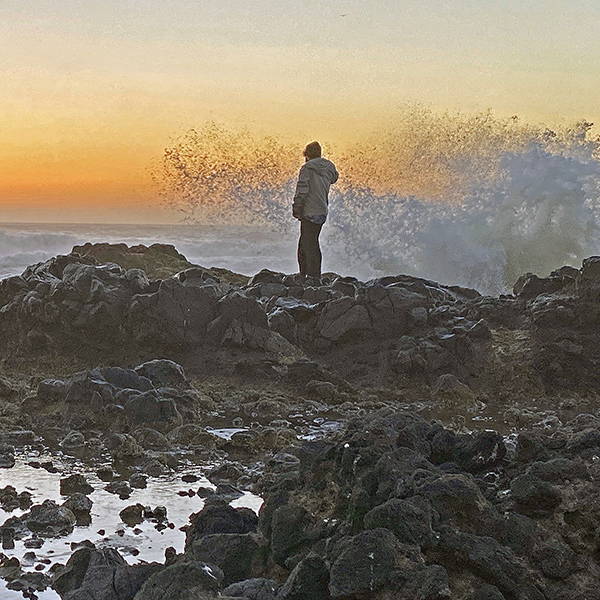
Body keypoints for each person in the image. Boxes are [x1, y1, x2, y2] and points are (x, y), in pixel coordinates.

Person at [292, 141, 338, 282]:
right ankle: (309, 275)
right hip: (322, 210)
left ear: (307, 155)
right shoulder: (329, 167)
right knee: (309, 241)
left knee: (308, 243)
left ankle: (310, 276)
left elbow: (302, 189)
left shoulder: (307, 168)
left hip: (309, 210)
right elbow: (334, 178)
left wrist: (296, 207)